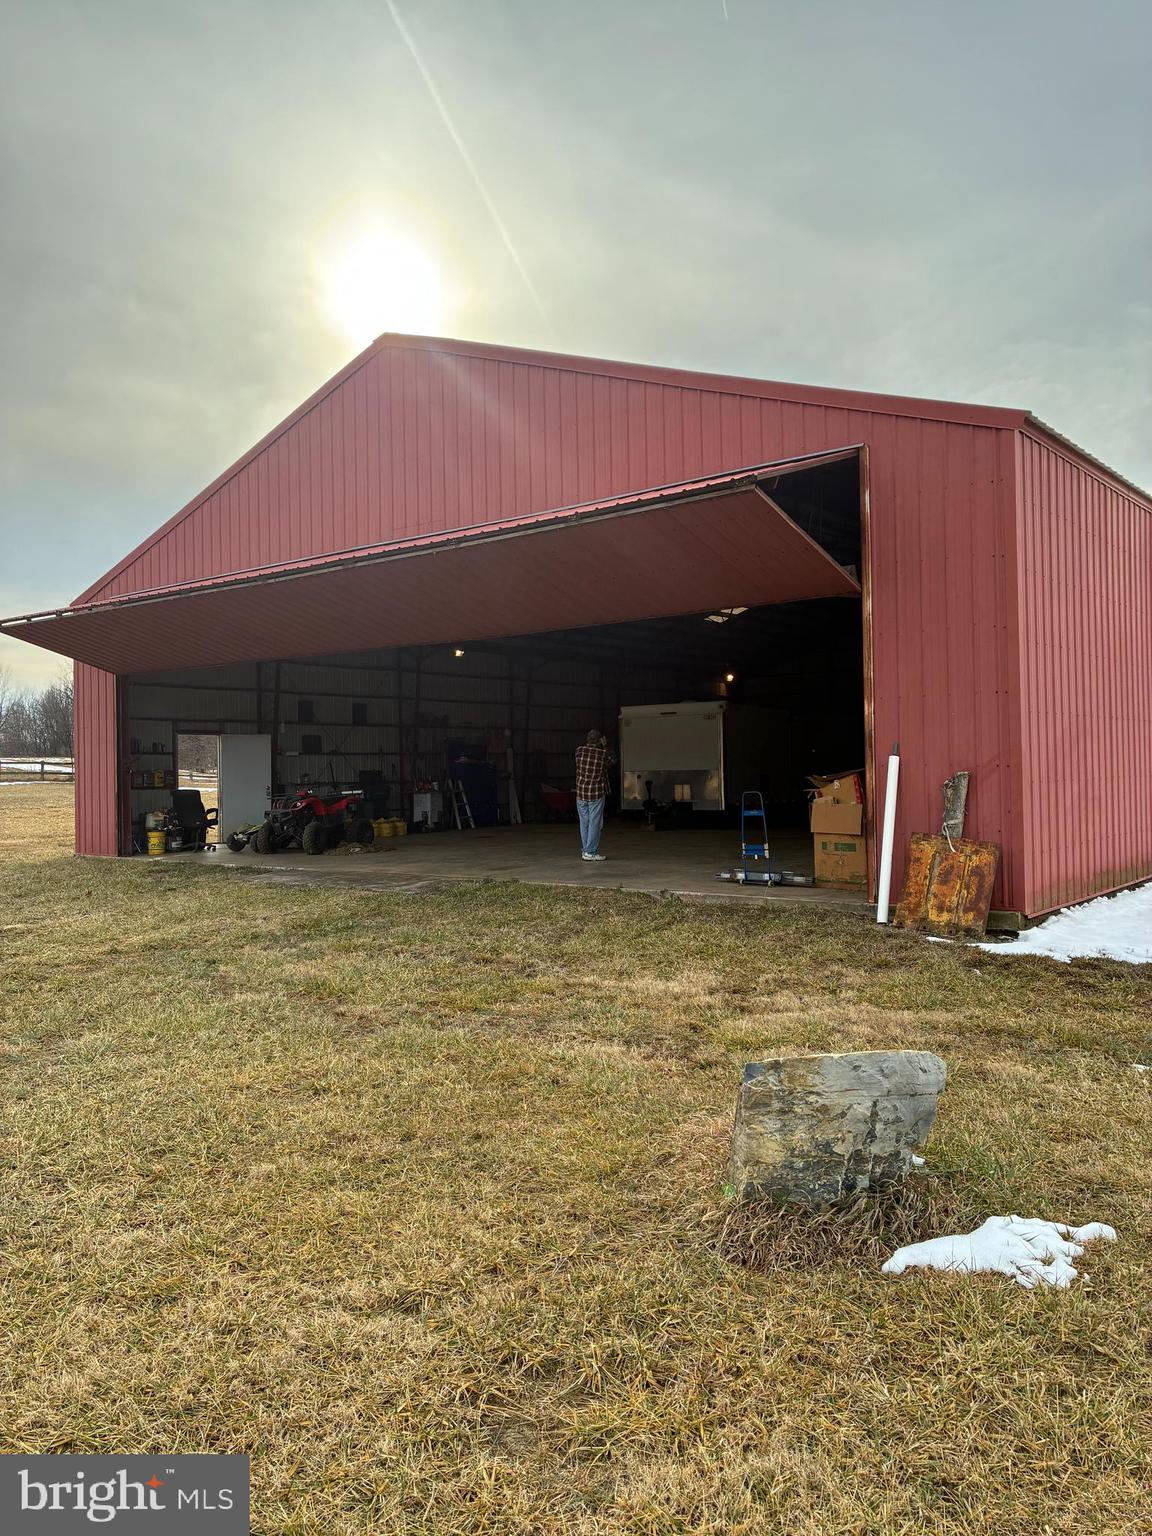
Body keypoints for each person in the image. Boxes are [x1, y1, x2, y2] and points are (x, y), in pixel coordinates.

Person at [574, 728, 614, 861]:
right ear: (599, 740)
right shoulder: (602, 754)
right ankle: (590, 852)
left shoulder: (579, 751)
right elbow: (612, 761)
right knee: (595, 823)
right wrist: (605, 745)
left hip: (581, 792)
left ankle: (586, 850)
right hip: (596, 793)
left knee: (584, 822)